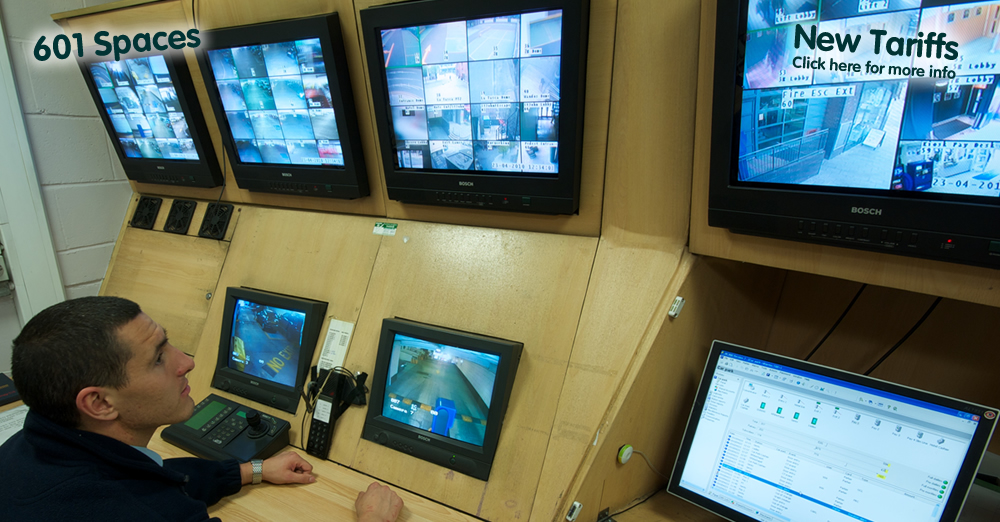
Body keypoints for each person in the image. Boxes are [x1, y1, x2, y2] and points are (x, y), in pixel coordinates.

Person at [0, 296, 403, 522]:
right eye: (159, 358)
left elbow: (151, 476)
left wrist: (252, 470)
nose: (187, 362)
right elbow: (148, 498)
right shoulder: (132, 512)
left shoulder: (28, 449)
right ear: (99, 402)